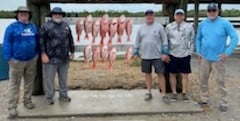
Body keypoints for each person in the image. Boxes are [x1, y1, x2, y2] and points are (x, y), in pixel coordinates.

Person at [196, 3, 238, 112]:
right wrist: (198, 52)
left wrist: (227, 53)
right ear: (206, 12)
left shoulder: (225, 23)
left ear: (217, 11)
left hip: (218, 59)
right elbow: (198, 39)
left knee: (220, 81)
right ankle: (204, 99)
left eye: (214, 11)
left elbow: (234, 37)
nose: (211, 13)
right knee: (202, 79)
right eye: (209, 11)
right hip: (204, 57)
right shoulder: (202, 24)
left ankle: (223, 102)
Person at [3, 6, 39, 118]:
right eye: (21, 13)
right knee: (14, 84)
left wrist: (37, 54)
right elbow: (7, 43)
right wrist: (9, 58)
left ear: (29, 15)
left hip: (32, 59)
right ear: (17, 15)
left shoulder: (33, 27)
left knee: (29, 82)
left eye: (26, 13)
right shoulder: (11, 27)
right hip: (16, 61)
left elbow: (37, 41)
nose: (23, 15)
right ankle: (12, 107)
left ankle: (27, 101)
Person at [133, 9, 170, 104]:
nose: (149, 17)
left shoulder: (159, 27)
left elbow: (164, 40)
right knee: (147, 75)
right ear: (145, 17)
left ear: (154, 16)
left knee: (160, 75)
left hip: (158, 56)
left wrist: (165, 52)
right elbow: (137, 41)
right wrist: (135, 51)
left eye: (151, 15)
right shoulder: (141, 28)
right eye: (147, 15)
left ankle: (164, 94)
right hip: (145, 56)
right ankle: (149, 92)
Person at [39, 7, 75, 105]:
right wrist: (43, 54)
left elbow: (70, 39)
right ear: (52, 15)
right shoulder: (45, 26)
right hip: (50, 58)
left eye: (60, 14)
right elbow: (41, 41)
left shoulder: (66, 26)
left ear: (62, 15)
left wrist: (72, 52)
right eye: (55, 14)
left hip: (64, 58)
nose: (58, 15)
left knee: (63, 78)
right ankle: (49, 97)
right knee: (49, 79)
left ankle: (63, 95)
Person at [165, 9, 195, 102]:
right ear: (174, 16)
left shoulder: (189, 26)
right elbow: (165, 41)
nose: (179, 16)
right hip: (172, 54)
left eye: (181, 15)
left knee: (185, 75)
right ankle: (174, 93)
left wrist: (190, 52)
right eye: (177, 15)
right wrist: (166, 53)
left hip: (185, 54)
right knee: (172, 74)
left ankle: (184, 93)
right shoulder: (169, 27)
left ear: (184, 16)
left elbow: (192, 40)